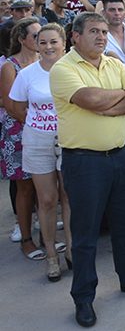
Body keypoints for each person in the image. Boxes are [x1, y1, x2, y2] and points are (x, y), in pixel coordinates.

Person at [49, 12, 125, 327]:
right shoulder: (63, 69)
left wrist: (107, 105)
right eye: (94, 31)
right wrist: (117, 101)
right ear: (75, 36)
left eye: (103, 32)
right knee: (86, 235)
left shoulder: (113, 63)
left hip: (122, 156)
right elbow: (89, 98)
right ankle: (84, 297)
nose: (101, 37)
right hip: (84, 162)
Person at [8, 23, 71, 281]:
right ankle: (52, 256)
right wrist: (40, 125)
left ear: (64, 43)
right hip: (37, 141)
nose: (48, 47)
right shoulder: (26, 74)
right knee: (46, 200)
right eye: (42, 41)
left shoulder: (72, 71)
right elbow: (17, 107)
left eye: (53, 41)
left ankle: (72, 251)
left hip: (70, 140)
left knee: (69, 198)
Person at [2, 18, 41, 263]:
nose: (40, 40)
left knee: (45, 186)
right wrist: (38, 121)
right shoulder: (10, 66)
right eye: (35, 36)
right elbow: (10, 105)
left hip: (43, 131)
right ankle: (26, 238)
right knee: (25, 187)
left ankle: (45, 234)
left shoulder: (45, 63)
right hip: (19, 131)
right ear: (21, 39)